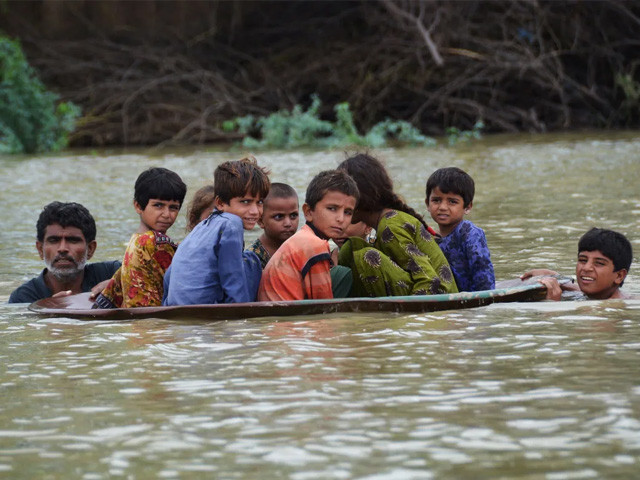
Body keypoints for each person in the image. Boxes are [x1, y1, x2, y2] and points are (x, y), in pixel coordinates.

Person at [337, 153, 458, 297]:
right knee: (350, 248)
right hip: (421, 290)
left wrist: (408, 319)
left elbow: (429, 280)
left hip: (438, 297)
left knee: (367, 257)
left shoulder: (391, 227)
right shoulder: (380, 226)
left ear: (361, 196)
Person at [163, 156, 270, 305]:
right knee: (251, 260)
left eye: (259, 202)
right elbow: (233, 280)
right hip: (205, 309)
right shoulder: (232, 223)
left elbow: (169, 275)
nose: (255, 211)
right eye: (245, 202)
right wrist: (243, 320)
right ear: (220, 203)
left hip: (175, 307)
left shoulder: (200, 228)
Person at [258, 169, 359, 301]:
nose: (341, 219)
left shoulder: (303, 237)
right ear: (308, 212)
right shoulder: (314, 245)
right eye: (332, 209)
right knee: (345, 274)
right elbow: (324, 305)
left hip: (275, 315)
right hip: (286, 318)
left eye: (348, 212)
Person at [93, 167, 187, 308]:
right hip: (151, 322)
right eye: (158, 205)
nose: (167, 214)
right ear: (138, 206)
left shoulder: (136, 241)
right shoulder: (151, 241)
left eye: (173, 208)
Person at [8, 202, 120, 303]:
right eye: (54, 240)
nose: (62, 248)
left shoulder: (113, 274)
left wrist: (122, 288)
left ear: (90, 249)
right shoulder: (23, 298)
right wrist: (48, 311)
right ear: (40, 249)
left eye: (73, 240)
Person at [426, 167, 495, 291]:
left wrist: (482, 302)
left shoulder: (469, 232)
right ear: (427, 204)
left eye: (452, 202)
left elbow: (483, 272)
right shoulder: (431, 239)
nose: (442, 207)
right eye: (436, 200)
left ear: (467, 207)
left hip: (474, 300)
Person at [521, 228, 633, 300]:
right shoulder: (596, 294)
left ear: (619, 276)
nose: (586, 267)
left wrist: (553, 305)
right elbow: (577, 289)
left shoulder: (616, 308)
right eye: (583, 260)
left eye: (599, 263)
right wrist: (552, 276)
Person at [246, 182, 299, 268]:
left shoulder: (301, 249)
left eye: (293, 215)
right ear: (260, 221)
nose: (288, 223)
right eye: (279, 217)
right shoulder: (252, 259)